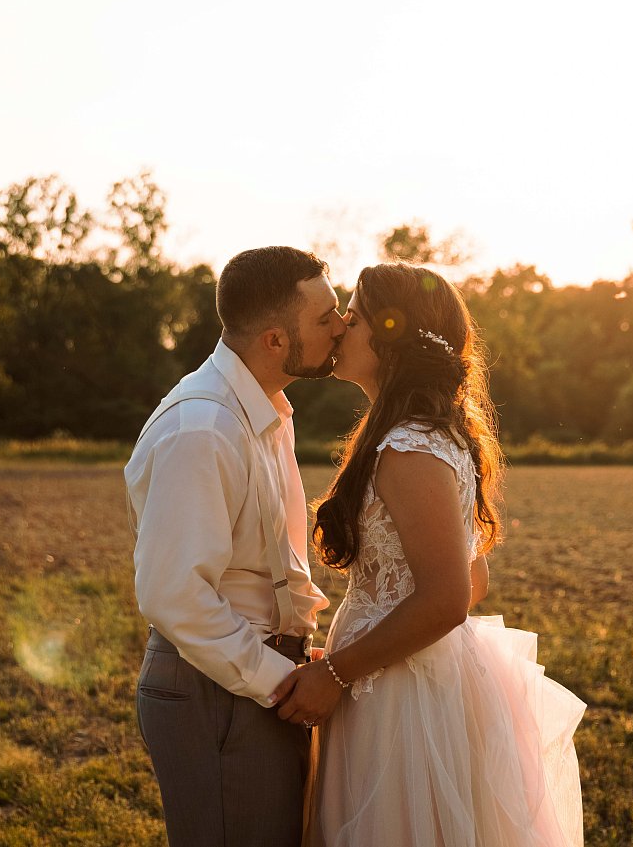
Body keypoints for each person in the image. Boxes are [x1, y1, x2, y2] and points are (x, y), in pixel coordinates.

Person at [270, 262, 585, 847]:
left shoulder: (410, 447)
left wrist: (340, 669)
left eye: (354, 318)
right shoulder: (412, 433)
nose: (339, 327)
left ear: (392, 337)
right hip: (390, 671)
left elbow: (449, 598)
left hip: (398, 696)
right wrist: (363, 633)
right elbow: (474, 576)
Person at [125, 246, 346, 847]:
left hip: (250, 677)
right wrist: (278, 677)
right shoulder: (205, 427)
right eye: (325, 317)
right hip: (216, 689)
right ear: (276, 339)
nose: (341, 325)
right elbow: (175, 595)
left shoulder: (263, 411)